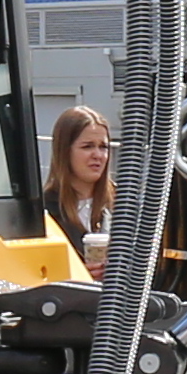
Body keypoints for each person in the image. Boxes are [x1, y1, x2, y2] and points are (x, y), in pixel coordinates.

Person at [42, 101, 116, 268]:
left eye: (103, 147)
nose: (98, 155)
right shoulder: (44, 212)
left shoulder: (121, 205)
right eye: (87, 146)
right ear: (64, 151)